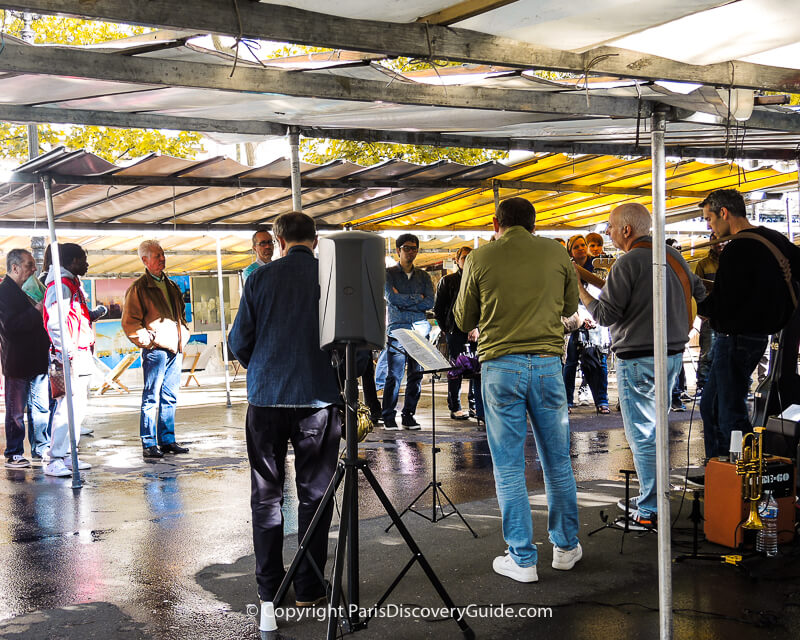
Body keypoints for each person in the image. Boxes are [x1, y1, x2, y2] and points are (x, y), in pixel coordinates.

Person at [455, 196, 582, 583]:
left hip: (500, 367)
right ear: (533, 222)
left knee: (509, 465)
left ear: (496, 223)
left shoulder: (480, 257)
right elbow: (571, 306)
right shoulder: (557, 253)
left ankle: (522, 558)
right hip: (546, 364)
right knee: (557, 461)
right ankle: (565, 547)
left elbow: (463, 318)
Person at [228, 211, 341, 623]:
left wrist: (264, 365)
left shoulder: (258, 278)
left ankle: (269, 592)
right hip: (317, 400)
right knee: (315, 495)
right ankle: (310, 587)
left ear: (277, 239)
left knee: (266, 495)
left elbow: (239, 341)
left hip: (266, 400)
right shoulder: (330, 276)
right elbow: (353, 346)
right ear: (316, 238)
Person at [577, 203, 706, 528]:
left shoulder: (627, 263)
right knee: (656, 430)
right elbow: (699, 291)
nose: (606, 231)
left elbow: (605, 315)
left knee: (642, 435)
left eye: (609, 225)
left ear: (627, 230)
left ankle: (650, 510)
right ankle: (654, 497)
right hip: (672, 354)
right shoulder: (672, 256)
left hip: (638, 358)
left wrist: (579, 290)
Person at [697, 189, 800, 460]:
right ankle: (719, 467)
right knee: (712, 405)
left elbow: (723, 305)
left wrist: (698, 306)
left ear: (724, 213)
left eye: (709, 218)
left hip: (734, 337)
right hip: (756, 336)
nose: (709, 225)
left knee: (730, 409)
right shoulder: (772, 237)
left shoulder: (737, 250)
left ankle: (739, 472)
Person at [122, 240, 190, 459]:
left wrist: (184, 334)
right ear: (145, 260)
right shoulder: (139, 288)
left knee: (170, 396)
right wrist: (150, 342)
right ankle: (149, 442)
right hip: (157, 351)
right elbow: (130, 323)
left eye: (163, 255)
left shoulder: (170, 285)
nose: (162, 259)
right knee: (151, 397)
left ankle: (167, 440)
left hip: (175, 348)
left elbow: (180, 314)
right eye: (157, 256)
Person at [43, 243, 98, 476]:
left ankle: (68, 454)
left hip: (79, 352)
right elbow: (56, 323)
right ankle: (54, 457)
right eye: (82, 259)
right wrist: (67, 353)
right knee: (66, 407)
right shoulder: (61, 285)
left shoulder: (72, 284)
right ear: (71, 261)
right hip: (69, 355)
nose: (86, 264)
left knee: (78, 406)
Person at [0, 249, 50, 468]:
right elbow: (9, 328)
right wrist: (36, 312)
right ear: (15, 268)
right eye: (29, 265)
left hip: (37, 358)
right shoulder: (4, 293)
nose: (34, 269)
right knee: (16, 411)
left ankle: (41, 448)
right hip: (17, 361)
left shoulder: (31, 289)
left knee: (40, 409)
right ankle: (14, 453)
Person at [382, 233, 434, 431]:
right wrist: (417, 298)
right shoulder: (388, 274)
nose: (410, 251)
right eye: (406, 248)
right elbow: (391, 299)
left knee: (416, 375)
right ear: (398, 250)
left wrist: (405, 299)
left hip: (420, 330)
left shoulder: (424, 276)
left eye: (414, 248)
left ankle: (409, 415)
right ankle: (388, 415)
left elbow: (430, 301)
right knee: (394, 376)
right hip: (397, 330)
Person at [433, 246, 483, 422]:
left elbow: (483, 307)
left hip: (476, 332)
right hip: (455, 331)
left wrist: (476, 327)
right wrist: (446, 328)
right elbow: (438, 308)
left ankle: (475, 405)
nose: (467, 260)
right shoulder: (448, 281)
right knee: (456, 369)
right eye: (464, 257)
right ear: (457, 260)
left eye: (471, 257)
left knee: (477, 368)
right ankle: (455, 406)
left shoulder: (479, 279)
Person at [563, 235, 609, 413]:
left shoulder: (598, 268)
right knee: (571, 362)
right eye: (576, 246)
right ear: (570, 250)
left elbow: (603, 292)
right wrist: (578, 315)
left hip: (595, 315)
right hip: (573, 317)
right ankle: (567, 401)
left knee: (599, 360)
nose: (581, 248)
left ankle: (602, 401)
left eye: (583, 245)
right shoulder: (566, 268)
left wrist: (592, 315)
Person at [693, 233, 722, 395]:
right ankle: (703, 385)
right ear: (711, 243)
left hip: (730, 317)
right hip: (710, 317)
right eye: (716, 241)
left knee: (730, 352)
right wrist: (702, 313)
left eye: (723, 241)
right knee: (707, 353)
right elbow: (697, 291)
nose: (720, 244)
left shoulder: (735, 263)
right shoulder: (703, 264)